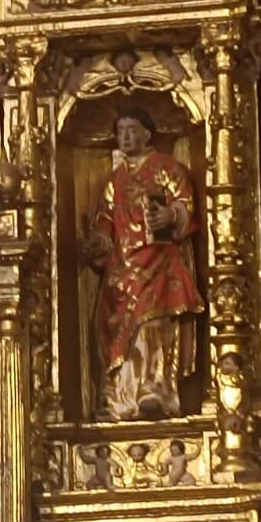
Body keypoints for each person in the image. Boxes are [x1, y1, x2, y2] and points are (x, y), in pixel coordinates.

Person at [82, 109, 203, 419]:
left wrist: (171, 215)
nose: (126, 136)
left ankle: (154, 389)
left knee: (152, 326)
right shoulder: (114, 180)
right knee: (114, 326)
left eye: (132, 129)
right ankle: (121, 398)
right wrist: (98, 240)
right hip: (122, 267)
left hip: (158, 261)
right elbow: (106, 222)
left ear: (148, 133)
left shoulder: (167, 168)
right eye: (121, 130)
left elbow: (184, 203)